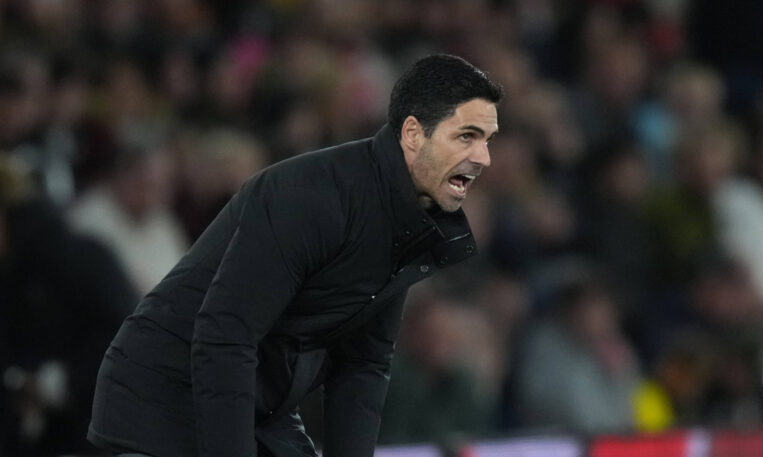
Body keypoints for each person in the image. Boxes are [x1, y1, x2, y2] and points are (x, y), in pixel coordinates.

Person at [87, 54, 502, 457]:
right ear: (413, 134)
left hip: (251, 404)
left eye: (486, 140)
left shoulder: (405, 220)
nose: (482, 157)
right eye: (466, 136)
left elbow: (363, 367)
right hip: (162, 399)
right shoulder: (309, 195)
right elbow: (224, 337)